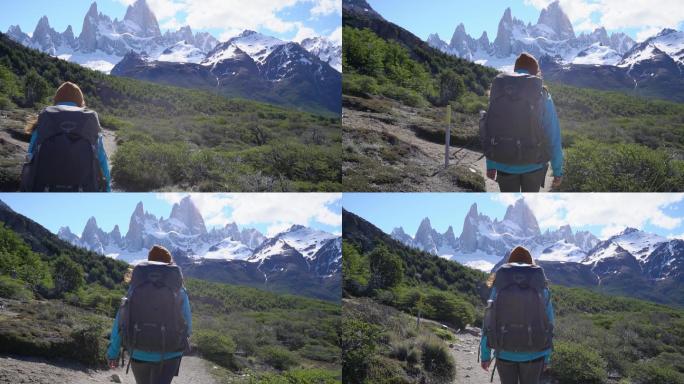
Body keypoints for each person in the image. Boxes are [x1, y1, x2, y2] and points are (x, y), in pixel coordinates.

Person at [107, 245, 192, 384]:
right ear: (169, 264)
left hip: (138, 351)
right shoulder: (179, 289)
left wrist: (113, 353)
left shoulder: (135, 288)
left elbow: (121, 320)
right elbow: (188, 326)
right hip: (170, 353)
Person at [481, 53, 563, 192]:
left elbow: (491, 128)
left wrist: (491, 164)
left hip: (503, 162)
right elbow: (553, 135)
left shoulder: (500, 91)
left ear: (515, 70)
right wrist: (557, 171)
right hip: (534, 164)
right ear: (535, 71)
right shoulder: (542, 94)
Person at [479, 246, 555, 384]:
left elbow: (488, 322)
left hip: (504, 351)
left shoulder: (499, 286)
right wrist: (547, 356)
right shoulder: (541, 287)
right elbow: (549, 324)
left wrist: (485, 355)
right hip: (535, 353)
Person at [20, 81, 111, 192]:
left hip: (44, 190)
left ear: (56, 100)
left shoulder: (46, 118)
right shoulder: (89, 120)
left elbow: (30, 157)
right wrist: (107, 190)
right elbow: (103, 164)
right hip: (84, 190)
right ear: (80, 101)